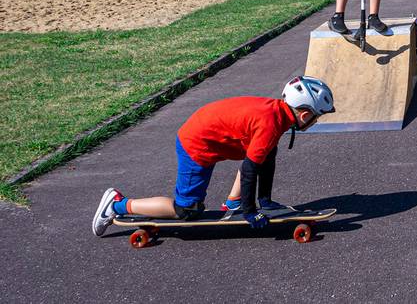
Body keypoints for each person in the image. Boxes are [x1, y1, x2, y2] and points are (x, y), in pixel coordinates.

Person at [92, 76, 335, 237]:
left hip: (210, 133)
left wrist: (265, 201)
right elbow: (250, 170)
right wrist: (251, 211)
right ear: (304, 115)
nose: (315, 121)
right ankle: (117, 205)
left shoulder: (277, 113)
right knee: (187, 210)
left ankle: (232, 201)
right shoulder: (270, 124)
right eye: (316, 117)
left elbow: (263, 159)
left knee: (265, 152)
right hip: (196, 144)